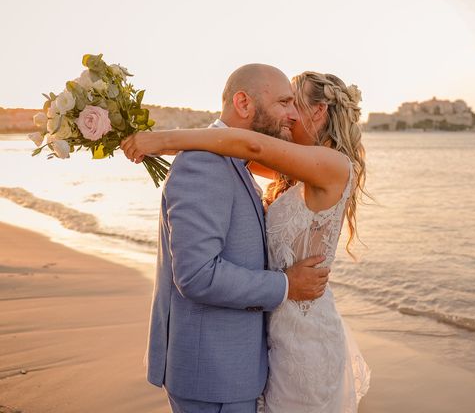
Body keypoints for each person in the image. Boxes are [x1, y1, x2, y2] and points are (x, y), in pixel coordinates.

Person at [122, 70, 371, 412]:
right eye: (284, 103)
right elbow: (239, 150)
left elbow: (249, 145)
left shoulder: (331, 165)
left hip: (303, 334)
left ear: (318, 112)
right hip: (266, 341)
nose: (289, 115)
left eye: (292, 103)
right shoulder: (288, 169)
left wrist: (162, 140)